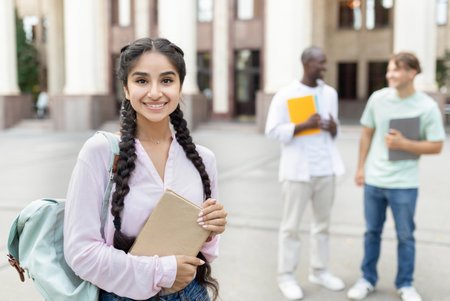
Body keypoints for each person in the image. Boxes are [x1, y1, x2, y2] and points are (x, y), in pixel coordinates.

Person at [63, 38, 227, 301]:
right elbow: (80, 252)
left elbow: (205, 253)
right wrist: (162, 271)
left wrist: (211, 229)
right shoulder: (100, 152)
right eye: (141, 81)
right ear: (126, 89)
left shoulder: (203, 159)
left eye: (166, 80)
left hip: (192, 294)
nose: (154, 92)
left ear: (180, 87)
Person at [347, 52, 445, 301]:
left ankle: (405, 284)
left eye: (396, 70)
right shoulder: (378, 99)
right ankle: (367, 279)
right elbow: (367, 133)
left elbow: (436, 146)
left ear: (412, 73)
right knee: (372, 233)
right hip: (374, 181)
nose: (390, 74)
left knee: (405, 236)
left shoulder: (427, 106)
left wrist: (404, 143)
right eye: (389, 69)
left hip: (405, 184)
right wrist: (361, 167)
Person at [265, 46, 345, 300]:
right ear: (306, 64)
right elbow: (272, 130)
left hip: (326, 169)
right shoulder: (286, 94)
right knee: (291, 227)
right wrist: (302, 126)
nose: (324, 67)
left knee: (322, 225)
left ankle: (319, 270)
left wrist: (334, 127)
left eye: (325, 62)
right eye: (320, 63)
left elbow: (335, 130)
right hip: (297, 171)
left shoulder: (329, 93)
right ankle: (286, 276)